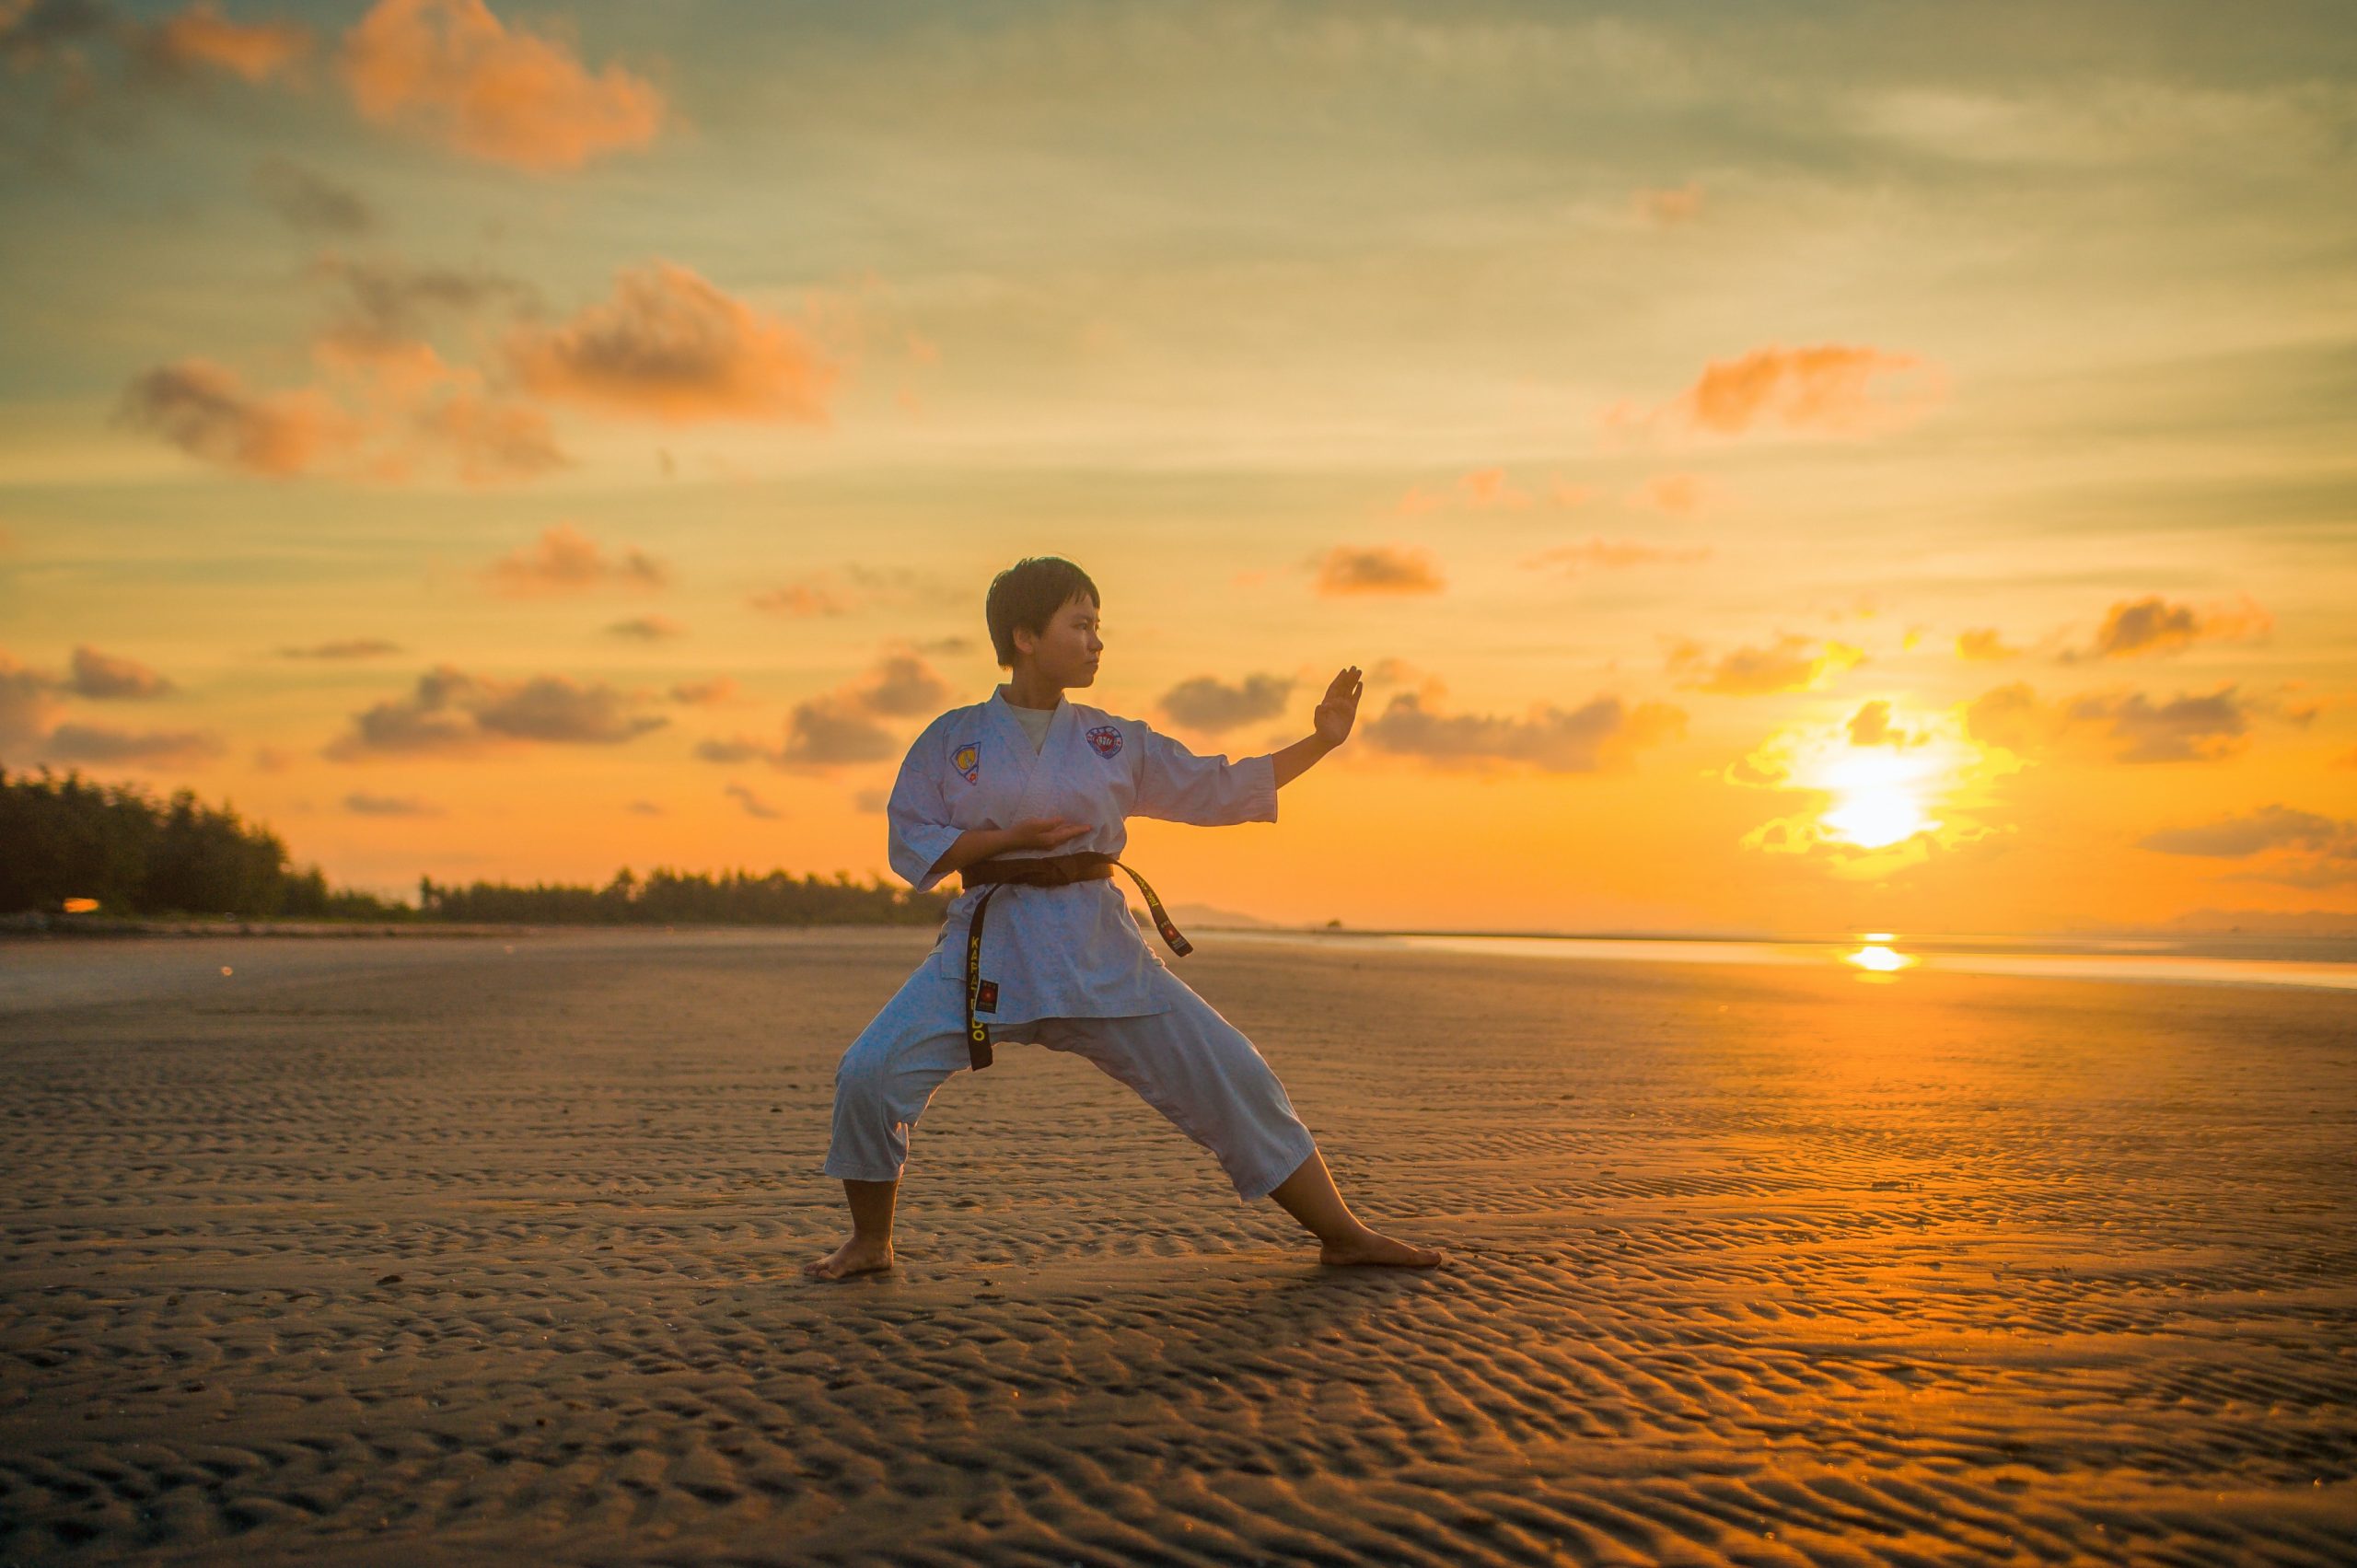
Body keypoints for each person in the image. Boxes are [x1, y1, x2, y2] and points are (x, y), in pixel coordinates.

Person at [807, 555, 1443, 1279]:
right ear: (1024, 636)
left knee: (1232, 1070)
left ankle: (1343, 1232)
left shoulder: (1114, 740)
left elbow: (1218, 788)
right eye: (1080, 624)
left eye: (1098, 625)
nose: (1096, 640)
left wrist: (1321, 742)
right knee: (870, 1070)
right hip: (990, 946)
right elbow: (909, 836)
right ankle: (870, 1240)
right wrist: (1008, 840)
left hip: (1098, 949)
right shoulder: (953, 740)